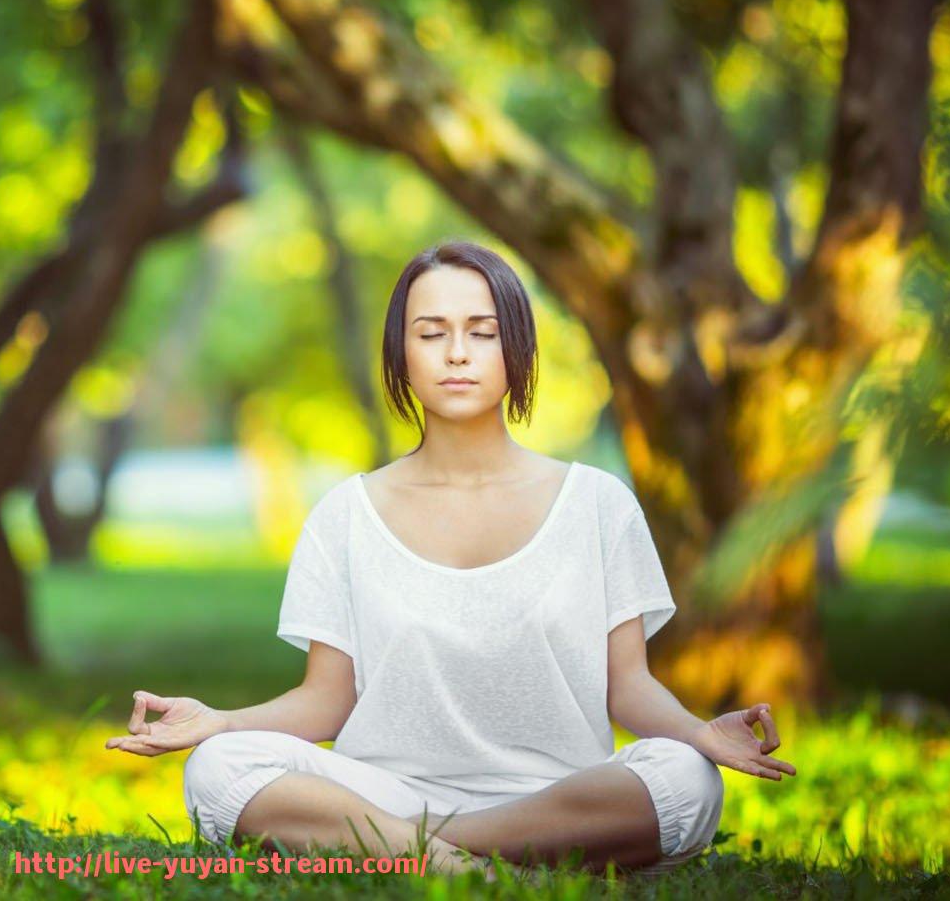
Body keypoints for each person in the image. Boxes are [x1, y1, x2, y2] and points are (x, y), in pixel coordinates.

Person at [104, 239, 795, 878]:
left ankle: (417, 850)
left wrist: (702, 733)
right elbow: (326, 701)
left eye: (483, 333)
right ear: (401, 354)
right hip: (383, 786)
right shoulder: (345, 516)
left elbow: (628, 688)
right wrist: (218, 722)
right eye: (431, 334)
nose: (457, 354)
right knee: (218, 769)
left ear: (516, 350)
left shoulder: (598, 505)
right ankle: (476, 866)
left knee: (687, 779)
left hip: (556, 793)